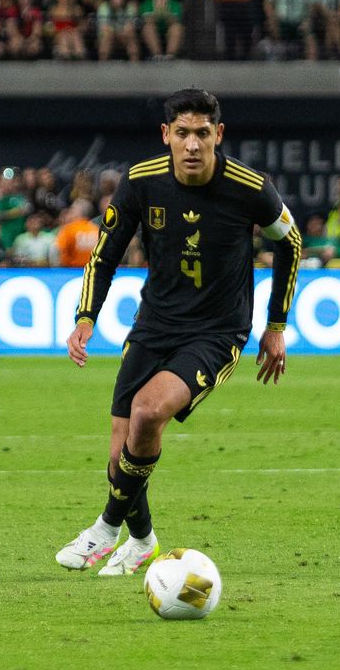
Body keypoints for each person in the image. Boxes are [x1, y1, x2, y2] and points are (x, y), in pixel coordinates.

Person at [58, 89, 301, 576]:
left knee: (148, 413)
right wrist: (86, 316)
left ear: (219, 135)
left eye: (203, 134)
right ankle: (143, 541)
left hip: (217, 332)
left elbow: (290, 242)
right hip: (154, 324)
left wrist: (275, 325)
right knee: (120, 451)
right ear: (167, 135)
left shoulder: (250, 187)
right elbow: (105, 254)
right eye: (184, 133)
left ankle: (104, 531)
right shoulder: (141, 182)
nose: (193, 145)